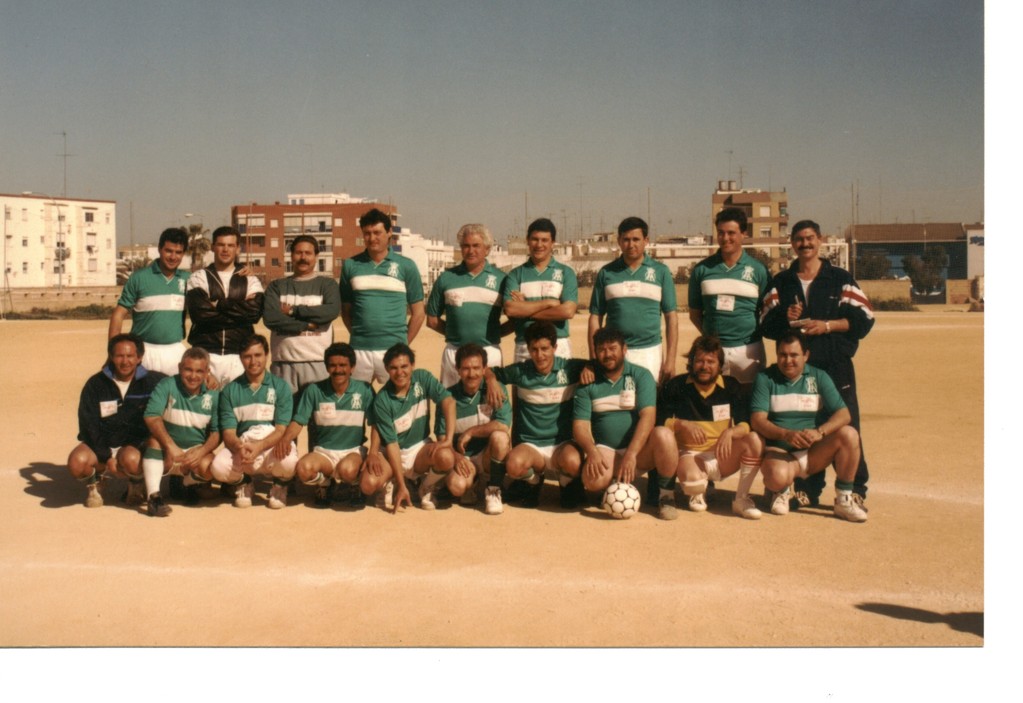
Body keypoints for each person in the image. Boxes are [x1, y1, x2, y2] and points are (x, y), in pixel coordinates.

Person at [760, 219, 875, 510]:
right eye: (799, 240)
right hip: (799, 372)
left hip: (836, 366)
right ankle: (807, 489)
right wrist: (786, 316)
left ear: (820, 240)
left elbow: (864, 319)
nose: (805, 244)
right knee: (805, 423)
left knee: (847, 425)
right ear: (792, 244)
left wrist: (828, 325)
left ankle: (855, 488)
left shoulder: (840, 278)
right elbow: (764, 323)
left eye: (810, 238)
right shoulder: (782, 282)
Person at [749, 332, 868, 522]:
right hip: (780, 451)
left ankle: (844, 501)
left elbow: (844, 414)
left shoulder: (818, 376)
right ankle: (780, 489)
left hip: (812, 454)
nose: (788, 360)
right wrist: (786, 434)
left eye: (794, 355)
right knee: (776, 476)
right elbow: (757, 420)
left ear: (806, 355)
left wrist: (820, 432)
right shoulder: (765, 378)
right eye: (783, 354)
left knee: (849, 434)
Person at [573, 327, 679, 519]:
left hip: (638, 453)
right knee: (592, 481)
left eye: (612, 348)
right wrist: (592, 452)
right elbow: (579, 426)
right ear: (595, 353)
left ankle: (666, 496)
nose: (607, 354)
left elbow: (648, 416)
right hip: (606, 450)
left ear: (624, 349)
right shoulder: (588, 381)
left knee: (664, 435)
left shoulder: (641, 375)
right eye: (602, 350)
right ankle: (611, 484)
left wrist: (631, 454)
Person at [657, 336, 764, 519]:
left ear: (720, 364)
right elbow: (659, 422)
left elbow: (745, 424)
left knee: (754, 440)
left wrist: (731, 432)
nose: (704, 366)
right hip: (690, 456)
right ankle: (698, 489)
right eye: (699, 360)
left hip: (722, 455)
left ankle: (741, 499)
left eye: (710, 361)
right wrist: (682, 424)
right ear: (691, 362)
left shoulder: (731, 386)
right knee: (694, 485)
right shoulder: (677, 386)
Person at [488, 321, 588, 511]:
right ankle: (534, 481)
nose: (539, 355)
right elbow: (489, 372)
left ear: (555, 347)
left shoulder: (569, 368)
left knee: (574, 462)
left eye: (545, 348)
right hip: (532, 444)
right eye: (534, 349)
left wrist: (590, 368)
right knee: (514, 465)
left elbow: (595, 365)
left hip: (562, 444)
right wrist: (492, 379)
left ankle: (567, 484)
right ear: (528, 349)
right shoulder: (521, 371)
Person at [67, 334, 164, 508]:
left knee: (133, 460)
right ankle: (95, 483)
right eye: (119, 356)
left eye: (130, 356)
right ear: (111, 357)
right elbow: (88, 424)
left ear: (139, 357)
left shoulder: (153, 382)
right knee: (77, 463)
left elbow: (182, 384)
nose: (125, 361)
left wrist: (207, 380)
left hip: (132, 446)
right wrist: (106, 455)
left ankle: (135, 484)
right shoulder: (96, 384)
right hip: (101, 443)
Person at [277, 342, 376, 508]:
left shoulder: (364, 390)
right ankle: (325, 484)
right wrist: (285, 439)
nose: (338, 370)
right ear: (326, 367)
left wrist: (373, 452)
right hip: (324, 452)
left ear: (352, 367)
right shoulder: (314, 390)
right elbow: (298, 421)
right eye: (333, 365)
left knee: (348, 470)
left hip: (352, 451)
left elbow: (376, 425)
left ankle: (354, 484)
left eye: (343, 365)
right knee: (303, 469)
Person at [362, 344, 456, 512]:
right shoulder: (382, 400)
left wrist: (448, 440)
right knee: (368, 485)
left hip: (419, 448)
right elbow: (392, 444)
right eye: (394, 368)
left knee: (446, 457)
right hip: (392, 453)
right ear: (386, 369)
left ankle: (425, 487)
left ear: (412, 365)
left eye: (404, 366)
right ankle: (392, 483)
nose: (400, 373)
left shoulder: (423, 378)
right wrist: (401, 483)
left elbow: (448, 402)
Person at [210, 335, 298, 509]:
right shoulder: (230, 390)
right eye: (247, 356)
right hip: (245, 447)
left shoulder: (280, 387)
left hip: (271, 446)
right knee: (218, 467)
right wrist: (239, 447)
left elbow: (281, 430)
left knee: (290, 462)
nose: (253, 361)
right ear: (241, 358)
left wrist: (259, 446)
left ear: (267, 355)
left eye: (258, 355)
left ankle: (280, 485)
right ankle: (245, 482)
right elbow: (228, 434)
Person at [339, 208, 425, 384]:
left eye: (377, 232)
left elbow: (418, 313)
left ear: (389, 233)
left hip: (393, 351)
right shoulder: (350, 265)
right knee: (358, 404)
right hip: (359, 350)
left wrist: (402, 344)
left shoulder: (406, 266)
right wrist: (360, 335)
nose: (372, 238)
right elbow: (346, 311)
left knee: (396, 404)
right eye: (367, 233)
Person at [588, 216, 678, 385]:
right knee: (617, 405)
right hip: (614, 352)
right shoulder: (606, 273)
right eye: (626, 240)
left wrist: (671, 360)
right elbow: (595, 317)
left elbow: (671, 317)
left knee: (649, 405)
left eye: (636, 239)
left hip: (649, 351)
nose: (631, 245)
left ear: (646, 241)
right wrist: (594, 358)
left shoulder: (661, 272)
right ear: (619, 242)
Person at [687, 207, 770, 386]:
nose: (725, 238)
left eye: (731, 233)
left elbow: (766, 311)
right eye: (721, 233)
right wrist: (712, 341)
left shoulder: (758, 270)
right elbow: (694, 314)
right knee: (716, 404)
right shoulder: (702, 270)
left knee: (749, 403)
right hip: (714, 352)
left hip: (749, 350)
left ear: (744, 234)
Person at [426, 223, 512, 387]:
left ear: (487, 249)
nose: (470, 250)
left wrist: (492, 335)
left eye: (476, 245)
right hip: (454, 352)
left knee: (490, 405)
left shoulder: (502, 279)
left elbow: (515, 320)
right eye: (466, 246)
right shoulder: (446, 278)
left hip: (489, 352)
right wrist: (456, 335)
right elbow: (431, 320)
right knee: (450, 404)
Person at [432, 344, 512, 515]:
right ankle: (474, 482)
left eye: (476, 368)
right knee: (456, 487)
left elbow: (503, 424)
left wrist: (470, 432)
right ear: (457, 370)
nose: (472, 374)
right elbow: (441, 436)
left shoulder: (495, 391)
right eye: (466, 368)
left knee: (501, 437)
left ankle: (493, 489)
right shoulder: (447, 397)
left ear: (484, 369)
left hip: (487, 454)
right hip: (464, 458)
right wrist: (456, 456)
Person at [141, 347, 221, 517]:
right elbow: (151, 416)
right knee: (154, 441)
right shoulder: (167, 385)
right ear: (179, 368)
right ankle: (153, 497)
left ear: (208, 372)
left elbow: (216, 433)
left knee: (211, 464)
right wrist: (170, 446)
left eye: (199, 371)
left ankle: (186, 483)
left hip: (193, 454)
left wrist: (202, 451)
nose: (193, 376)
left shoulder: (214, 396)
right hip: (168, 452)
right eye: (188, 369)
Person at [186, 225, 265, 388]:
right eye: (221, 244)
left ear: (238, 248)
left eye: (230, 245)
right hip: (206, 355)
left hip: (239, 356)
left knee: (235, 410)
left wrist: (219, 304)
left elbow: (254, 314)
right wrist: (239, 313)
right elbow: (200, 315)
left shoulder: (249, 279)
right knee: (207, 409)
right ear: (213, 247)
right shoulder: (199, 277)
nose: (225, 249)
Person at [262, 235, 341, 397]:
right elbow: (270, 318)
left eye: (308, 253)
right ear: (291, 255)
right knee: (283, 418)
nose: (303, 257)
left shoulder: (327, 285)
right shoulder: (277, 286)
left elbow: (331, 311)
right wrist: (305, 325)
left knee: (318, 419)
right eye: (298, 253)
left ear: (316, 256)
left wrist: (293, 311)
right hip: (283, 363)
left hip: (317, 362)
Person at [109, 228, 189, 376]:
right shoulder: (139, 278)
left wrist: (244, 272)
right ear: (159, 249)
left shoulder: (188, 279)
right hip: (143, 351)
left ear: (183, 254)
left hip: (175, 351)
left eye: (178, 252)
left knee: (175, 398)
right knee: (141, 399)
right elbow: (118, 315)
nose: (173, 257)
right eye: (168, 251)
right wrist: (113, 353)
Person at [503, 218, 578, 362]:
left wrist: (526, 311)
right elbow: (511, 309)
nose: (539, 245)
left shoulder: (566, 272)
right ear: (527, 240)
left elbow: (567, 311)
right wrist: (549, 303)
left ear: (553, 243)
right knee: (524, 385)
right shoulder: (515, 274)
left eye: (544, 240)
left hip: (558, 344)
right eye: (535, 239)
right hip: (525, 344)